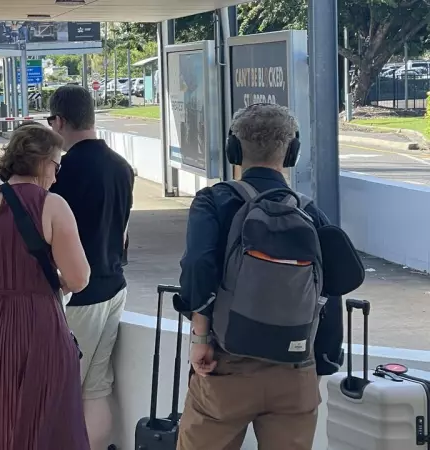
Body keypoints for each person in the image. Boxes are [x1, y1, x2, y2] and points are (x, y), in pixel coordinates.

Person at [174, 103, 345, 450]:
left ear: (233, 149)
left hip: (225, 364)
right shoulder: (310, 211)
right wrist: (323, 359)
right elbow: (332, 287)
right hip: (295, 368)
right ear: (292, 151)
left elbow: (198, 268)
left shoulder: (214, 201)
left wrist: (200, 340)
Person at [0, 123, 91, 450]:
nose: (56, 176)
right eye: (56, 165)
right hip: (36, 324)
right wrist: (37, 289)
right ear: (41, 163)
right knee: (45, 424)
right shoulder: (52, 205)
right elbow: (80, 278)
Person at [47, 85, 134, 450]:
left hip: (77, 293)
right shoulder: (122, 166)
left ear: (60, 121)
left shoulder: (63, 172)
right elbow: (125, 230)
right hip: (114, 285)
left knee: (60, 390)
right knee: (97, 387)